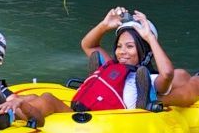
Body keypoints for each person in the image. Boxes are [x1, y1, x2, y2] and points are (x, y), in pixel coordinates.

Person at [14, 8, 177, 123]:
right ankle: (10, 107)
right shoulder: (112, 67)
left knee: (48, 99)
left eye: (129, 46)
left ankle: (14, 114)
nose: (122, 52)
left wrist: (149, 37)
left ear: (144, 50)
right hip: (83, 111)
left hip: (105, 121)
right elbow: (88, 45)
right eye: (119, 46)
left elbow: (168, 74)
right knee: (36, 97)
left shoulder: (151, 78)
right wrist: (104, 25)